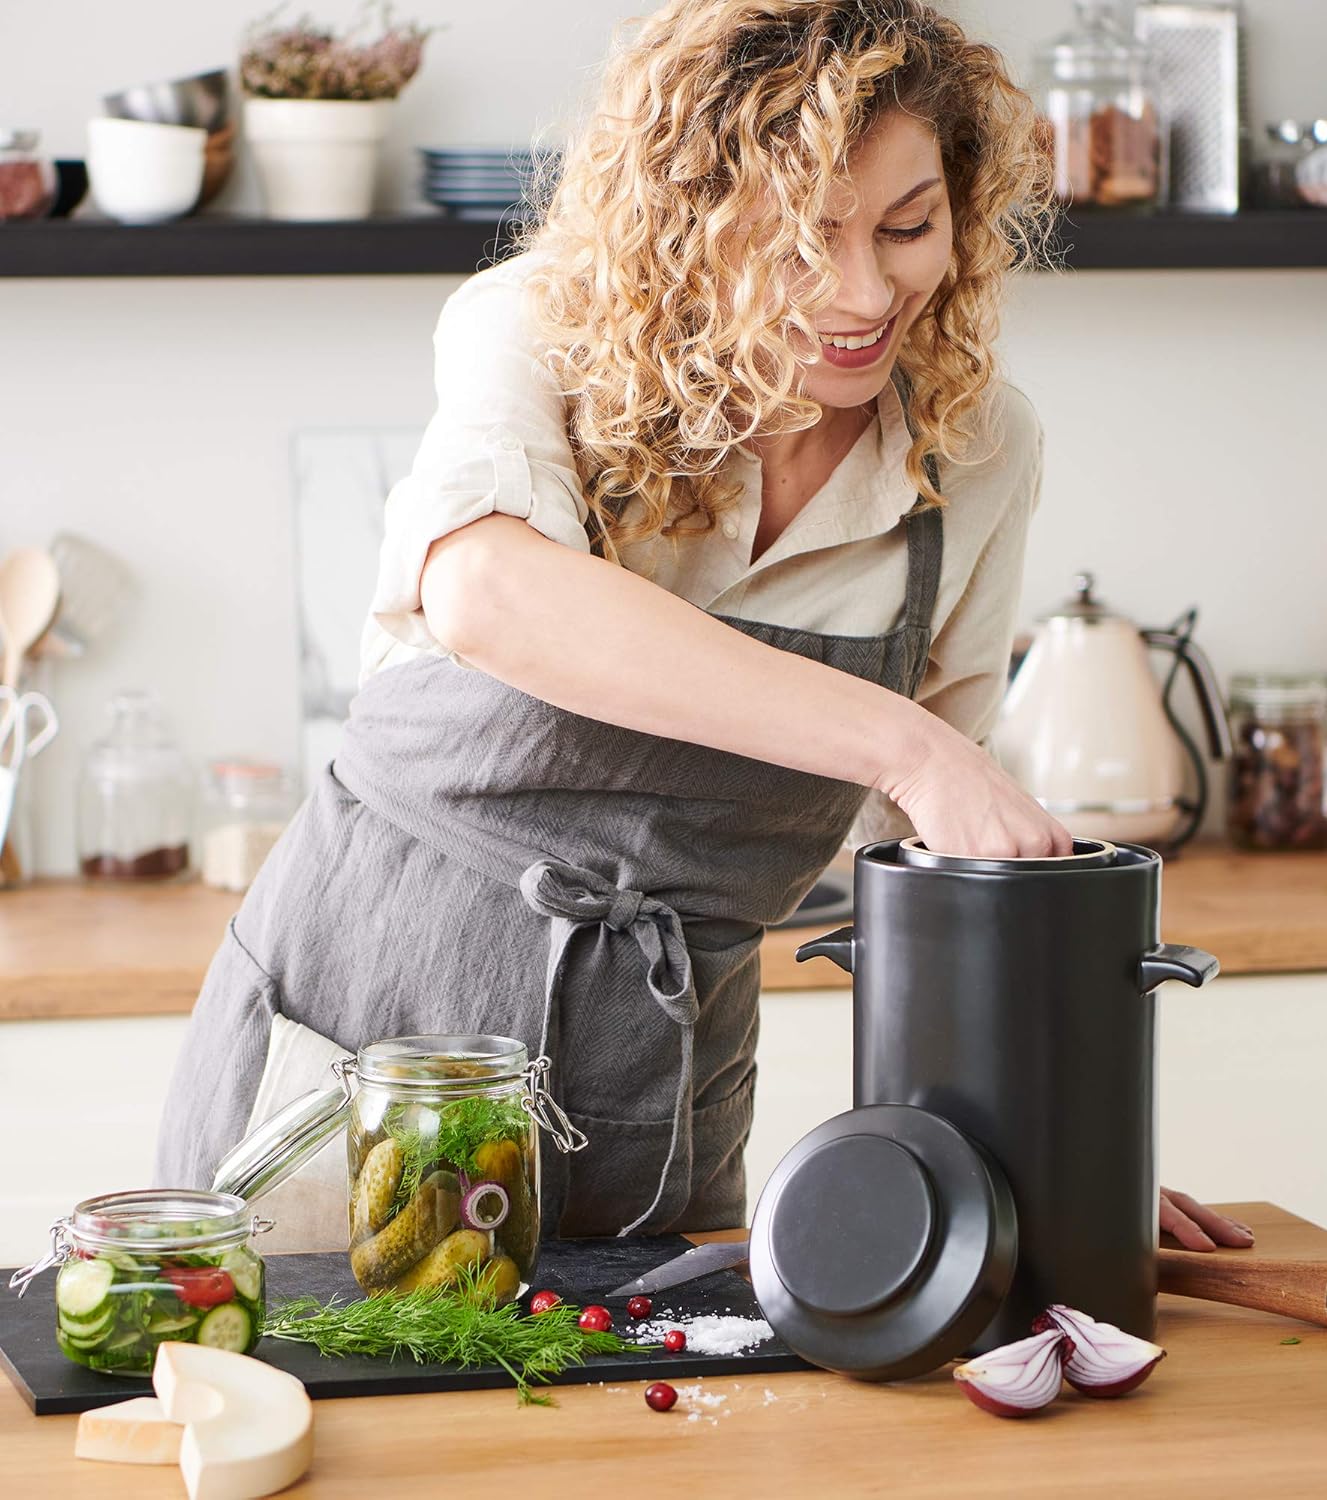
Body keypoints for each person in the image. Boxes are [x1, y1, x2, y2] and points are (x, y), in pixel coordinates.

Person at [157, 0, 1252, 1256]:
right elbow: (489, 590)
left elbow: (944, 883)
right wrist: (909, 744)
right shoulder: (533, 330)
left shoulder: (981, 448)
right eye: (796, 244)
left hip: (655, 1096)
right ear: (689, 227)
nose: (859, 293)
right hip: (365, 1051)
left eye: (907, 227)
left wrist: (1053, 1147)